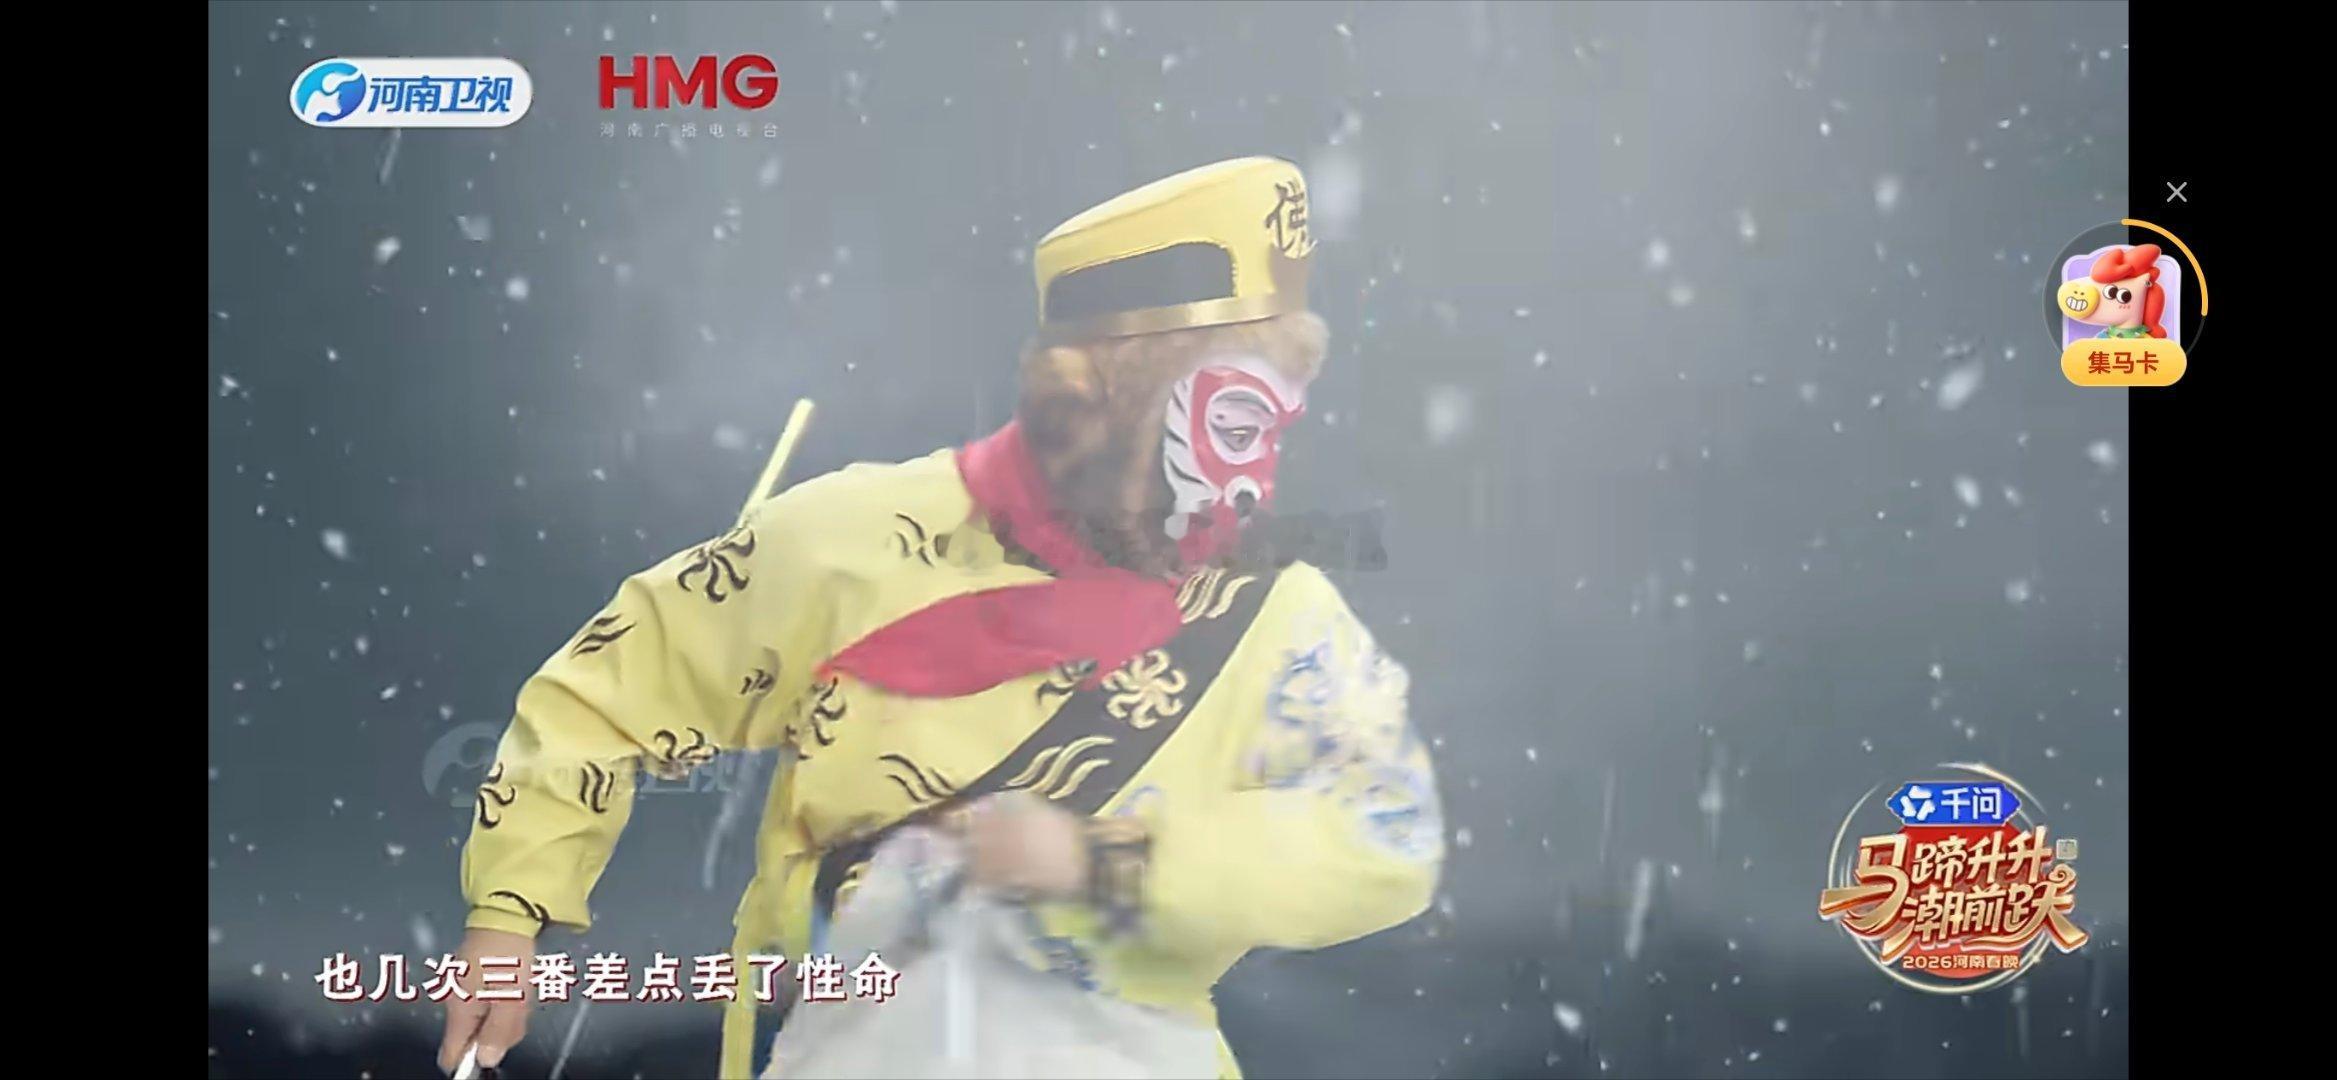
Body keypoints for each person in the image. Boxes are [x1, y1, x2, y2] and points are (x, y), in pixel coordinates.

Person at [437, 156, 1445, 1079]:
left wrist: (1107, 860)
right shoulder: (846, 539)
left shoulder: (1278, 610)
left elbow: (1387, 832)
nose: (1253, 480)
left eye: (1272, 428)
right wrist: (507, 919)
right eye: (1231, 421)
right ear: (1102, 400)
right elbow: (605, 695)